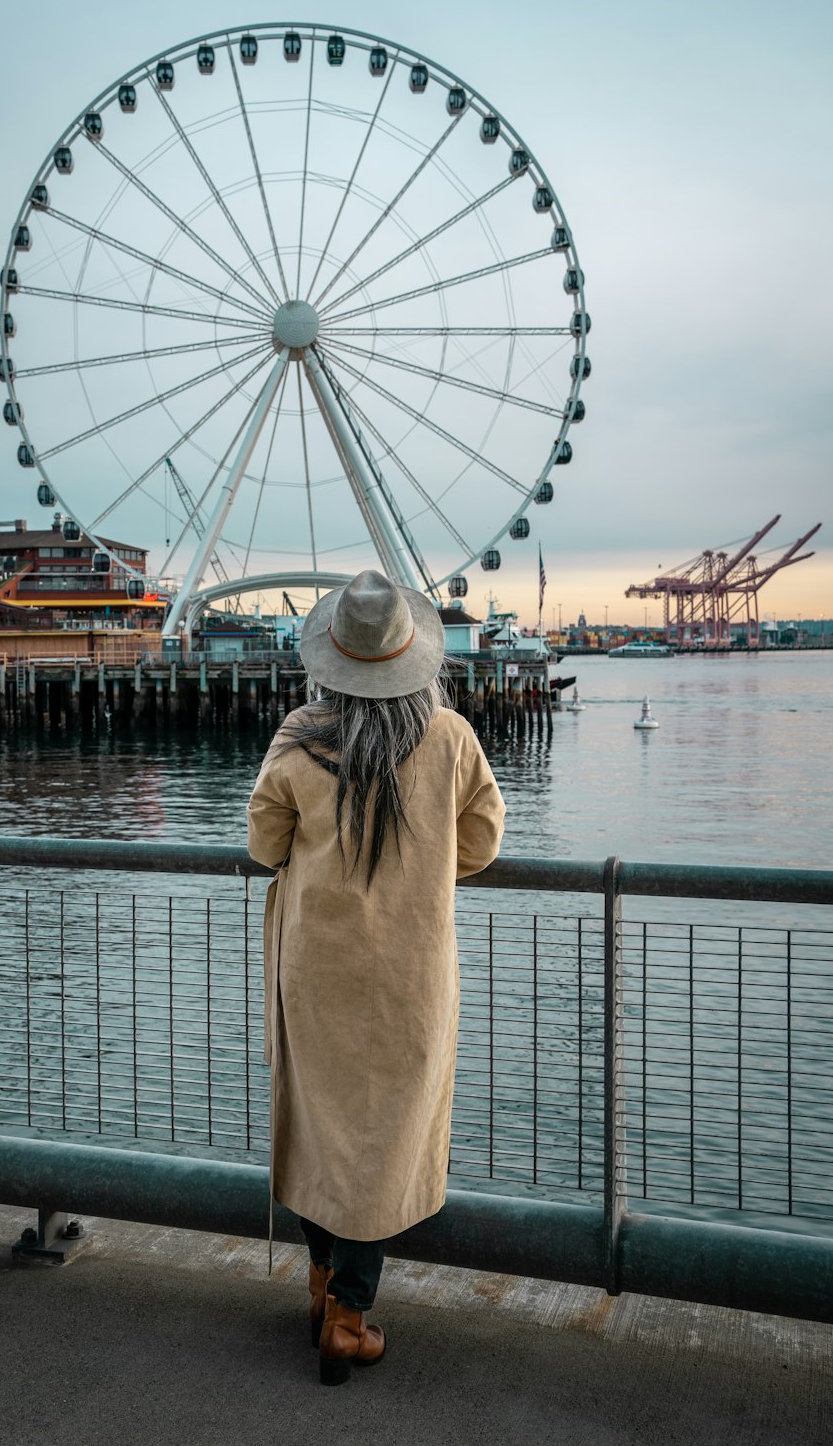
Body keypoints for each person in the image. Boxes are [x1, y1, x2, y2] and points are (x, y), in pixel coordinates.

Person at [246, 570, 506, 1386]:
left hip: (315, 968)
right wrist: (421, 870)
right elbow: (483, 843)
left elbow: (263, 845)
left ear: (332, 656)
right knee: (384, 1139)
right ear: (413, 657)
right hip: (410, 973)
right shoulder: (452, 738)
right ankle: (350, 1318)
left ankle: (322, 1285)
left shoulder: (298, 736)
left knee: (317, 1126)